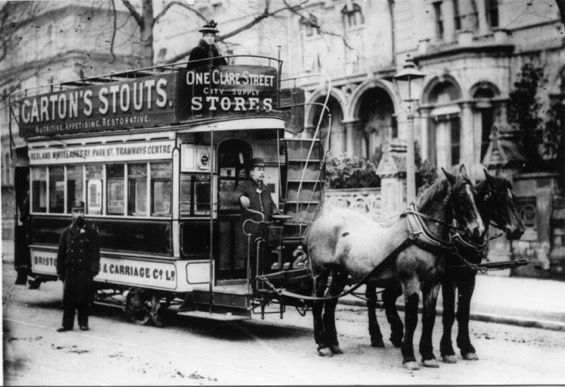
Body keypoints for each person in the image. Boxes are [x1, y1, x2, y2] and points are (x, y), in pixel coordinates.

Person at [56, 201, 100, 332]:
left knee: (83, 298)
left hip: (84, 270)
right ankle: (67, 324)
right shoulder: (66, 232)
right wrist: (60, 270)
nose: (79, 215)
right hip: (70, 269)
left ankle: (83, 323)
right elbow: (61, 253)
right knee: (68, 299)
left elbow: (95, 253)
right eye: (76, 212)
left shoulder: (91, 232)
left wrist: (93, 269)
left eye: (81, 211)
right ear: (72, 214)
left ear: (84, 213)